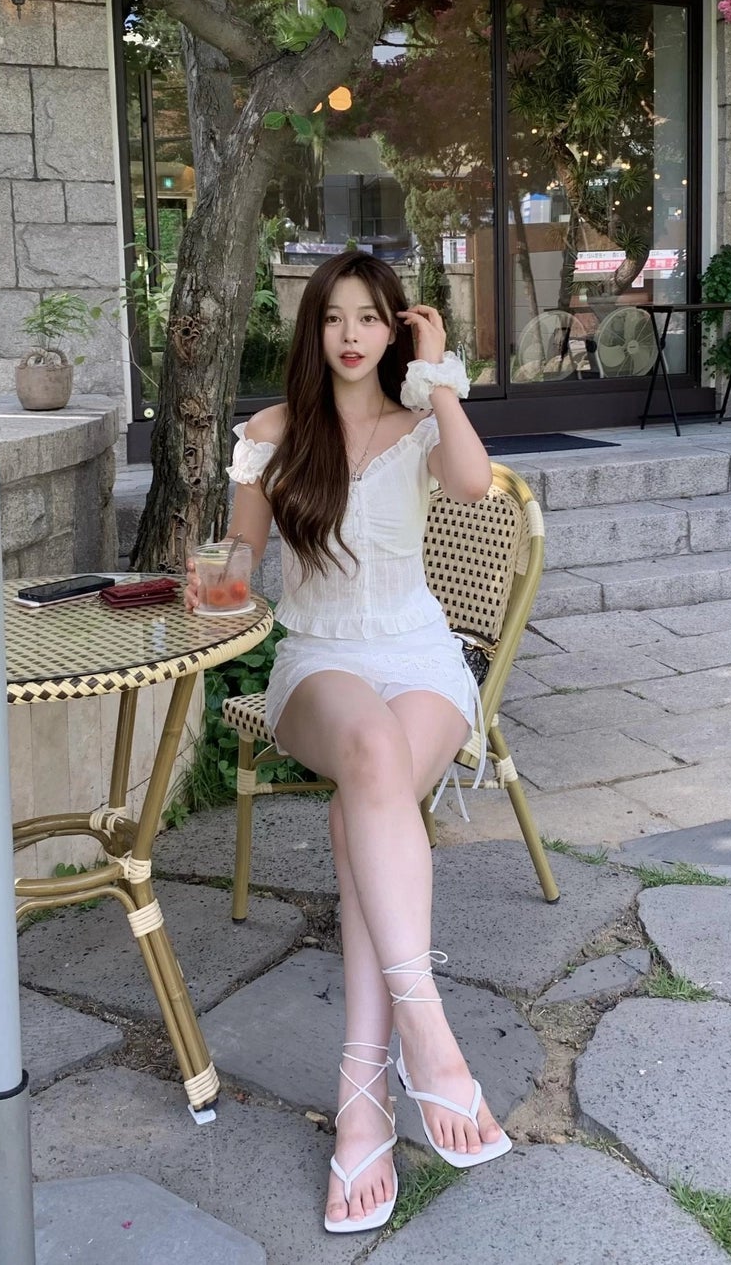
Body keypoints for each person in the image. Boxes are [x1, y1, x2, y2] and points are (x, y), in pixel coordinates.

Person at [187, 248, 509, 1234]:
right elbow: (243, 549)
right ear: (312, 329)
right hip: (318, 662)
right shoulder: (273, 434)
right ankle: (428, 1035)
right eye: (334, 317)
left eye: (370, 316)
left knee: (362, 806)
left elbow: (474, 485)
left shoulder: (422, 425)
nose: (351, 334)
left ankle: (363, 1096)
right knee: (369, 754)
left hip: (421, 659)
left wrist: (439, 371)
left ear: (394, 326)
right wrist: (218, 575)